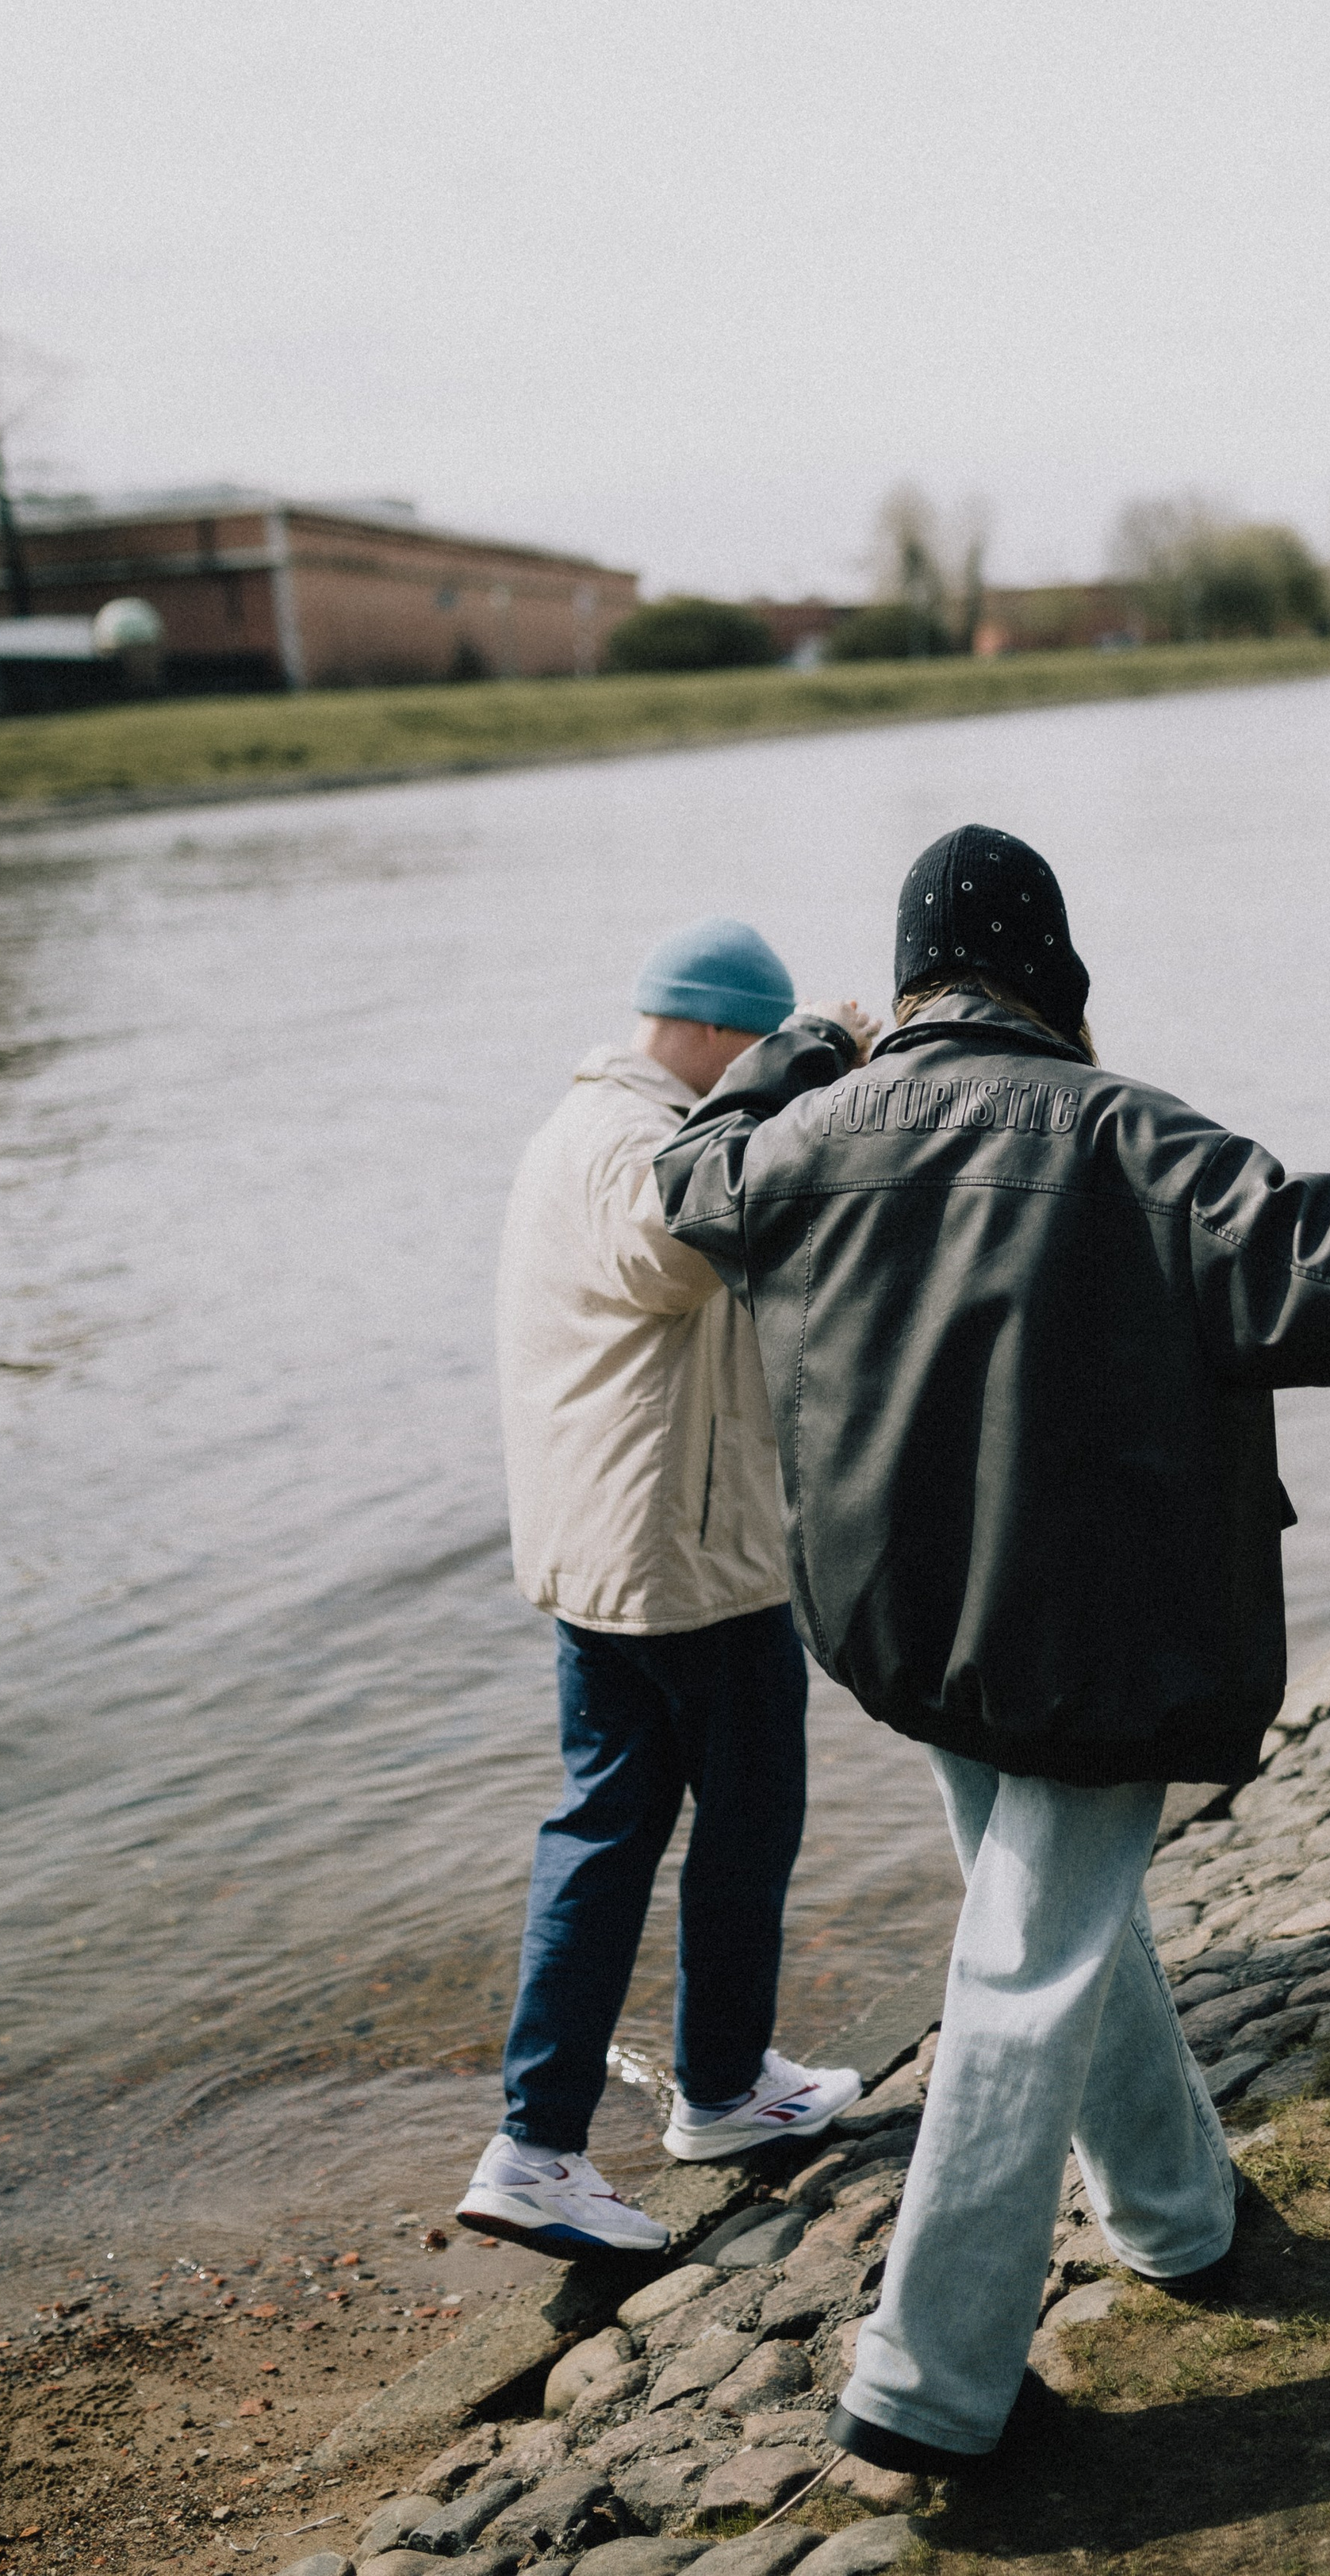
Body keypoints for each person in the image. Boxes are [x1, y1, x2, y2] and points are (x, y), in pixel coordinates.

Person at [654, 823, 1330, 2463]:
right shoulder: (1129, 1141)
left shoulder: (809, 1137)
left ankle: (1171, 2216)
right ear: (1047, 969)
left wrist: (800, 1053)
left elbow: (689, 1176)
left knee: (1058, 1927)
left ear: (911, 978)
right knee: (1028, 1966)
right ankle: (927, 2382)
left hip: (901, 1623)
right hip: (1091, 1638)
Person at [456, 918, 869, 2257]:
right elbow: (674, 1250)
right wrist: (794, 1083)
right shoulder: (631, 1135)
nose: (757, 1071)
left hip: (609, 1555)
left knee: (607, 1830)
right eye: (754, 1047)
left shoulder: (580, 1124)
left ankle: (588, 2122)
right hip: (685, 1561)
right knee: (744, 1822)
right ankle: (680, 2104)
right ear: (705, 1031)